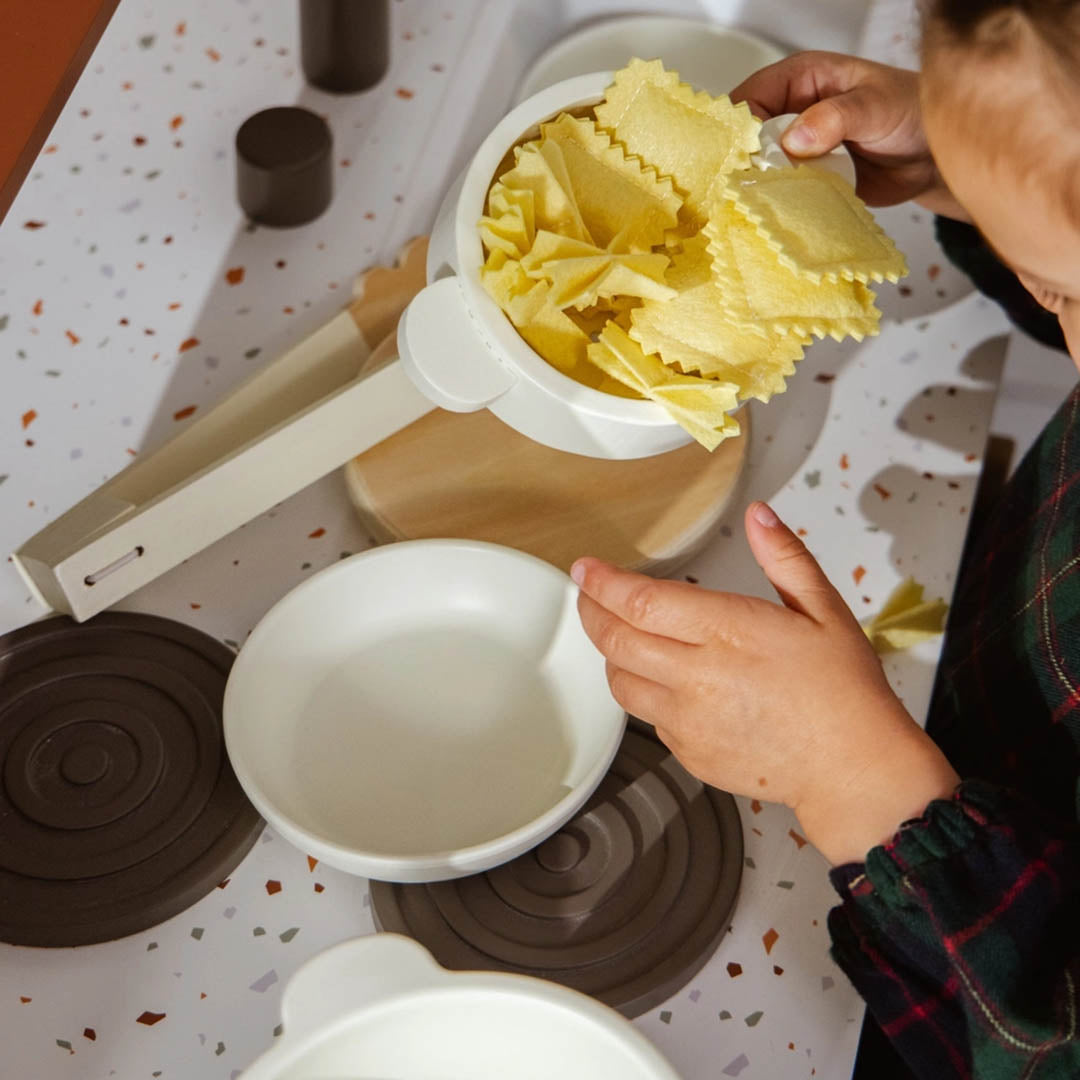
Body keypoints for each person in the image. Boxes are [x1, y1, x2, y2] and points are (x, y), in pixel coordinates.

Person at [570, 2, 1080, 1076]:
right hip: (978, 726)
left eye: (1062, 290)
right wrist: (974, 171)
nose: (1055, 309)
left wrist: (857, 781)